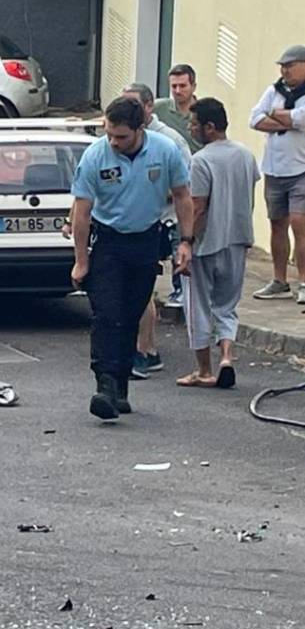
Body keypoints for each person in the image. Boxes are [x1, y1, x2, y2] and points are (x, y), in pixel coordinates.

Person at [70, 96, 193, 421]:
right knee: (106, 314)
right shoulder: (96, 155)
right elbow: (81, 212)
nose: (114, 141)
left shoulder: (164, 151)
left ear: (140, 129)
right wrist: (81, 260)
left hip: (145, 240)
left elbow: (182, 196)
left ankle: (120, 383)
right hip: (108, 241)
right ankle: (105, 385)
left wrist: (186, 242)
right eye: (109, 134)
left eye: (121, 136)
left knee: (131, 313)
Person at [178, 98, 260, 389]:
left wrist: (186, 241)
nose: (190, 128)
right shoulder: (246, 155)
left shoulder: (201, 160)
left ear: (209, 128)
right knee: (227, 305)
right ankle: (227, 356)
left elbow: (198, 206)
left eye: (194, 123)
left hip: (206, 244)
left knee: (197, 305)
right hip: (238, 240)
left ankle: (203, 370)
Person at [121, 83, 192, 379]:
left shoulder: (168, 142)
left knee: (142, 289)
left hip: (158, 224)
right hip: (127, 225)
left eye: (134, 105)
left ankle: (145, 349)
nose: (129, 112)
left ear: (150, 107)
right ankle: (143, 349)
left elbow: (182, 189)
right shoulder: (121, 138)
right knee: (136, 289)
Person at [249, 45, 305, 302]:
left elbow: (302, 118)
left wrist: (279, 116)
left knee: (299, 224)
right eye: (282, 66)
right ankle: (279, 280)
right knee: (277, 225)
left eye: (290, 65)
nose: (284, 71)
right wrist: (287, 119)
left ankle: (303, 281)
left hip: (301, 169)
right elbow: (256, 119)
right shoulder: (274, 90)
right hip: (274, 170)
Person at [157, 64, 203, 153]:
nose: (177, 91)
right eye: (174, 86)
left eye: (182, 86)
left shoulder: (205, 111)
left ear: (193, 86)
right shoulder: (159, 107)